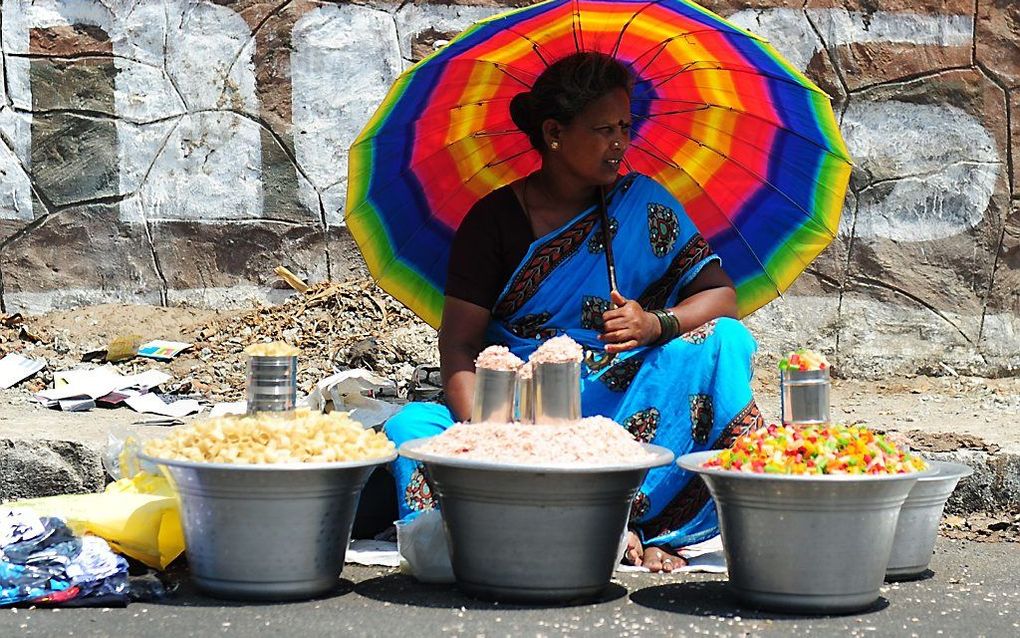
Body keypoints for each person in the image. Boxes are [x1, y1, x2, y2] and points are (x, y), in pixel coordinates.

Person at [383, 51, 761, 573]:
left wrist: (655, 324)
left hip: (617, 395)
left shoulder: (645, 204)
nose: (620, 143)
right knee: (411, 429)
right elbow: (460, 346)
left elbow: (721, 296)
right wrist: (487, 433)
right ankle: (531, 516)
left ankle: (636, 521)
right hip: (517, 400)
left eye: (626, 127)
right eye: (603, 129)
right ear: (555, 133)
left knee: (725, 341)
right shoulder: (494, 221)